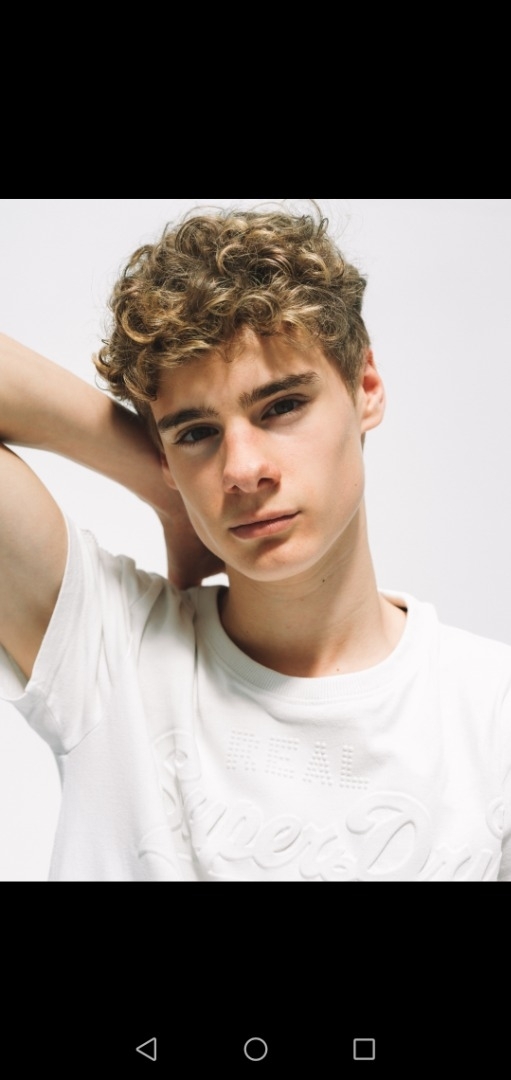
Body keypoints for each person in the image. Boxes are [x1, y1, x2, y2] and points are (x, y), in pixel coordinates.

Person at [0, 202, 509, 881]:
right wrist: (160, 486)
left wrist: (177, 470)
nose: (241, 470)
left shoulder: (492, 711)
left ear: (366, 387)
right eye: (197, 433)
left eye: (281, 406)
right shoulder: (108, 653)